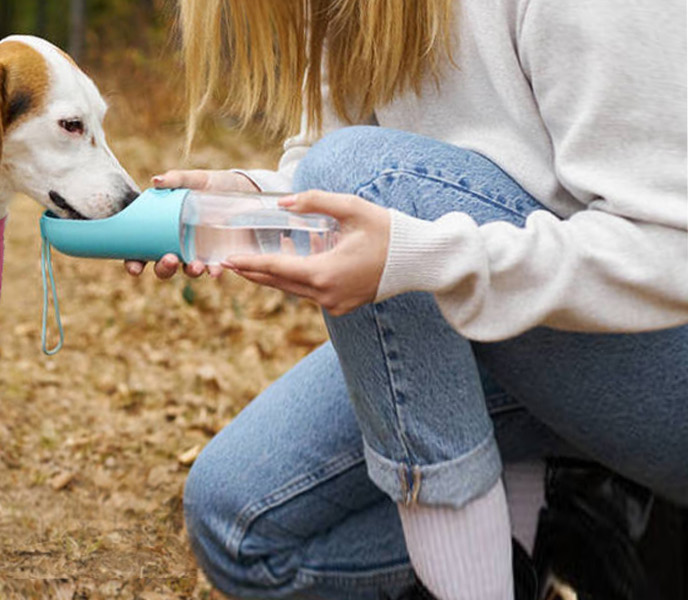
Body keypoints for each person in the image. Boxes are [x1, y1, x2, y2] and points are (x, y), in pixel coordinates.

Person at [127, 1, 688, 598]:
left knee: (366, 179)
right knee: (234, 524)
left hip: (658, 358)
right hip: (520, 334)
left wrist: (424, 255)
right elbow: (332, 167)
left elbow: (670, 250)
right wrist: (247, 200)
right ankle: (551, 519)